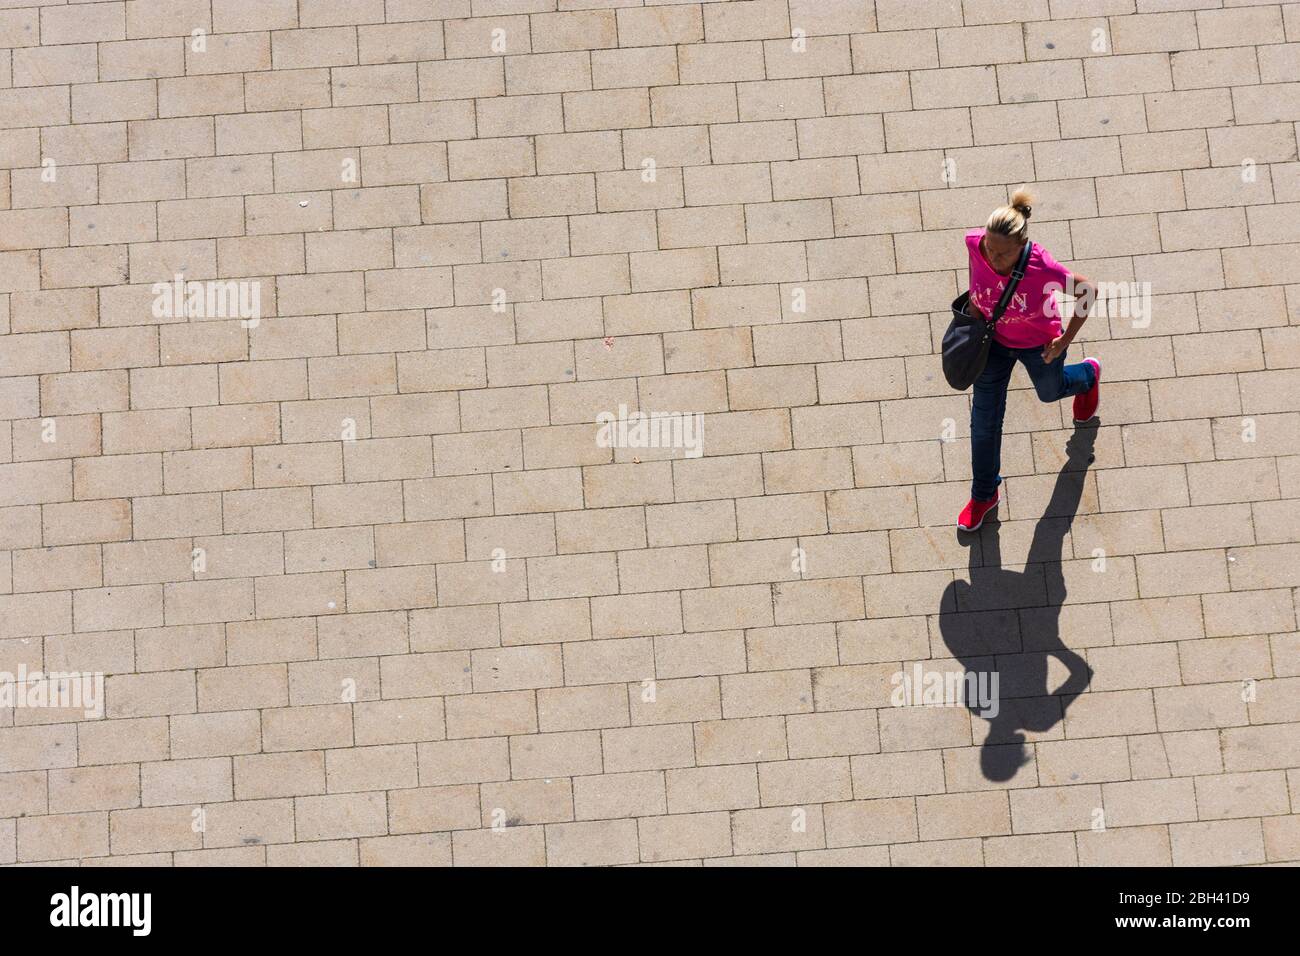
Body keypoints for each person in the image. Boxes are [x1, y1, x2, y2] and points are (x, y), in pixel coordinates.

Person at [958, 188, 1101, 532]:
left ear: (1021, 247)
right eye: (990, 248)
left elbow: (1088, 290)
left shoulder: (1041, 266)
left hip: (1039, 345)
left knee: (1050, 392)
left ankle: (1087, 376)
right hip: (991, 344)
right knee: (984, 422)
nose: (993, 257)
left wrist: (1064, 340)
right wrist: (976, 317)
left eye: (1002, 253)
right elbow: (977, 280)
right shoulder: (976, 244)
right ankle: (984, 494)